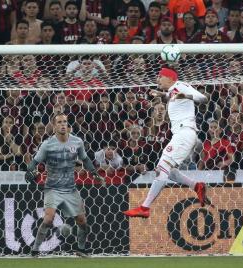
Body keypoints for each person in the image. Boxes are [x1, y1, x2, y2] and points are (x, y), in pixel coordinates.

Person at [123, 67, 210, 218]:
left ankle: (145, 207)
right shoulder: (173, 89)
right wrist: (161, 94)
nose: (157, 80)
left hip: (185, 133)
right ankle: (196, 186)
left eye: (160, 77)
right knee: (167, 170)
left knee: (161, 168)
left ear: (170, 78)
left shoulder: (181, 86)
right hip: (182, 134)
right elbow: (174, 96)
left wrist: (185, 95)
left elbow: (203, 99)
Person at [25, 113, 105, 257]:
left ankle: (81, 249)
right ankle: (35, 250)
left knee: (82, 221)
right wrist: (29, 170)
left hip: (70, 188)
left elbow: (85, 159)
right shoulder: (47, 144)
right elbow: (35, 162)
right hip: (52, 188)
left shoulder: (77, 142)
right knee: (48, 219)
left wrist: (94, 173)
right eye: (60, 122)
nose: (63, 125)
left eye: (65, 122)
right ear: (54, 126)